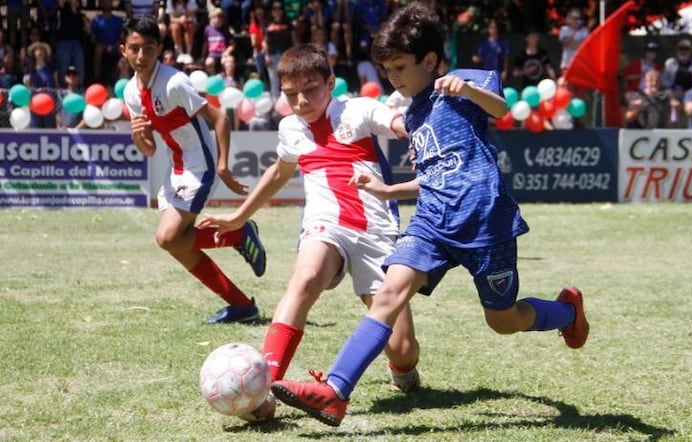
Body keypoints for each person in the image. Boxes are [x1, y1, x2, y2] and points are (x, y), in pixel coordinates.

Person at [270, 3, 590, 427]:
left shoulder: (468, 83)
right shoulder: (415, 112)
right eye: (387, 70)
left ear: (432, 61)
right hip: (432, 221)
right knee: (388, 295)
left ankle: (567, 312)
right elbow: (434, 176)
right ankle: (335, 390)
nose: (393, 78)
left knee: (503, 320)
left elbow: (501, 110)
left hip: (485, 222)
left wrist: (467, 90)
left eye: (400, 67)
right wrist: (388, 190)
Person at [199, 43, 420, 421]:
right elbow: (278, 173)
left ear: (331, 83)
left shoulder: (358, 110)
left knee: (401, 348)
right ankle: (263, 390)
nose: (300, 101)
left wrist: (417, 139)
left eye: (310, 90)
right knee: (305, 277)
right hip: (325, 226)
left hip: (376, 231)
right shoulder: (290, 128)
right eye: (289, 94)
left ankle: (404, 371)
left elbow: (402, 124)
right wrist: (237, 217)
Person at [120, 16, 268, 324]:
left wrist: (225, 166)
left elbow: (221, 120)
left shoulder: (173, 82)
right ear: (124, 50)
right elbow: (149, 149)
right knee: (176, 244)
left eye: (148, 48)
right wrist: (138, 137)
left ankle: (238, 233)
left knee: (168, 238)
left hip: (200, 166)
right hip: (176, 168)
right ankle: (241, 305)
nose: (141, 56)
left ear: (159, 48)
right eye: (134, 48)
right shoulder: (131, 93)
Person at [471, 18, 510, 84]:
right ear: (488, 29)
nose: (493, 30)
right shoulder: (483, 44)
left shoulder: (503, 43)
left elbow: (506, 58)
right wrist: (476, 59)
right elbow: (481, 58)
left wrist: (505, 71)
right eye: (491, 28)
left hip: (499, 73)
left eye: (495, 28)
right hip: (486, 74)